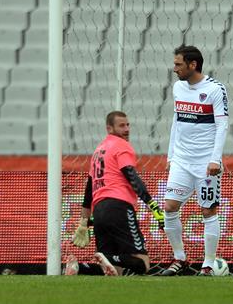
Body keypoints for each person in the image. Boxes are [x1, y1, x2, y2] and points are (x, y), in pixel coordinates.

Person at [65, 111, 165, 276]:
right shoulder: (121, 145)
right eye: (121, 126)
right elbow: (131, 175)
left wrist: (83, 221)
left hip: (99, 211)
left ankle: (80, 268)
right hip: (119, 207)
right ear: (109, 128)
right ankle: (107, 257)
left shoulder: (98, 151)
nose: (127, 129)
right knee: (142, 263)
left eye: (128, 125)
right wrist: (153, 205)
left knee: (114, 272)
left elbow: (89, 190)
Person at [160, 45, 229, 276]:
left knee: (208, 210)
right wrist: (171, 156)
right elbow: (176, 121)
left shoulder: (215, 89)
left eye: (178, 64)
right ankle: (179, 259)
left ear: (193, 64)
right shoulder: (178, 88)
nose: (174, 69)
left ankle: (208, 264)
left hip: (205, 163)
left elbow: (222, 125)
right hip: (181, 160)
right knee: (170, 207)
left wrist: (215, 159)